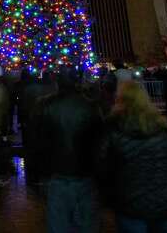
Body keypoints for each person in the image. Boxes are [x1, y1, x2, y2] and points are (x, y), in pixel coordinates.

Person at [99, 82, 167, 233]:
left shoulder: (113, 128)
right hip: (164, 202)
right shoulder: (159, 127)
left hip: (130, 203)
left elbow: (103, 167)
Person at [36, 69, 102, 233]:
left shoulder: (47, 106)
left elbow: (40, 141)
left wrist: (42, 172)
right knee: (86, 224)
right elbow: (100, 142)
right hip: (85, 173)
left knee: (58, 224)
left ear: (58, 82)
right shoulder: (91, 106)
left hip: (58, 173)